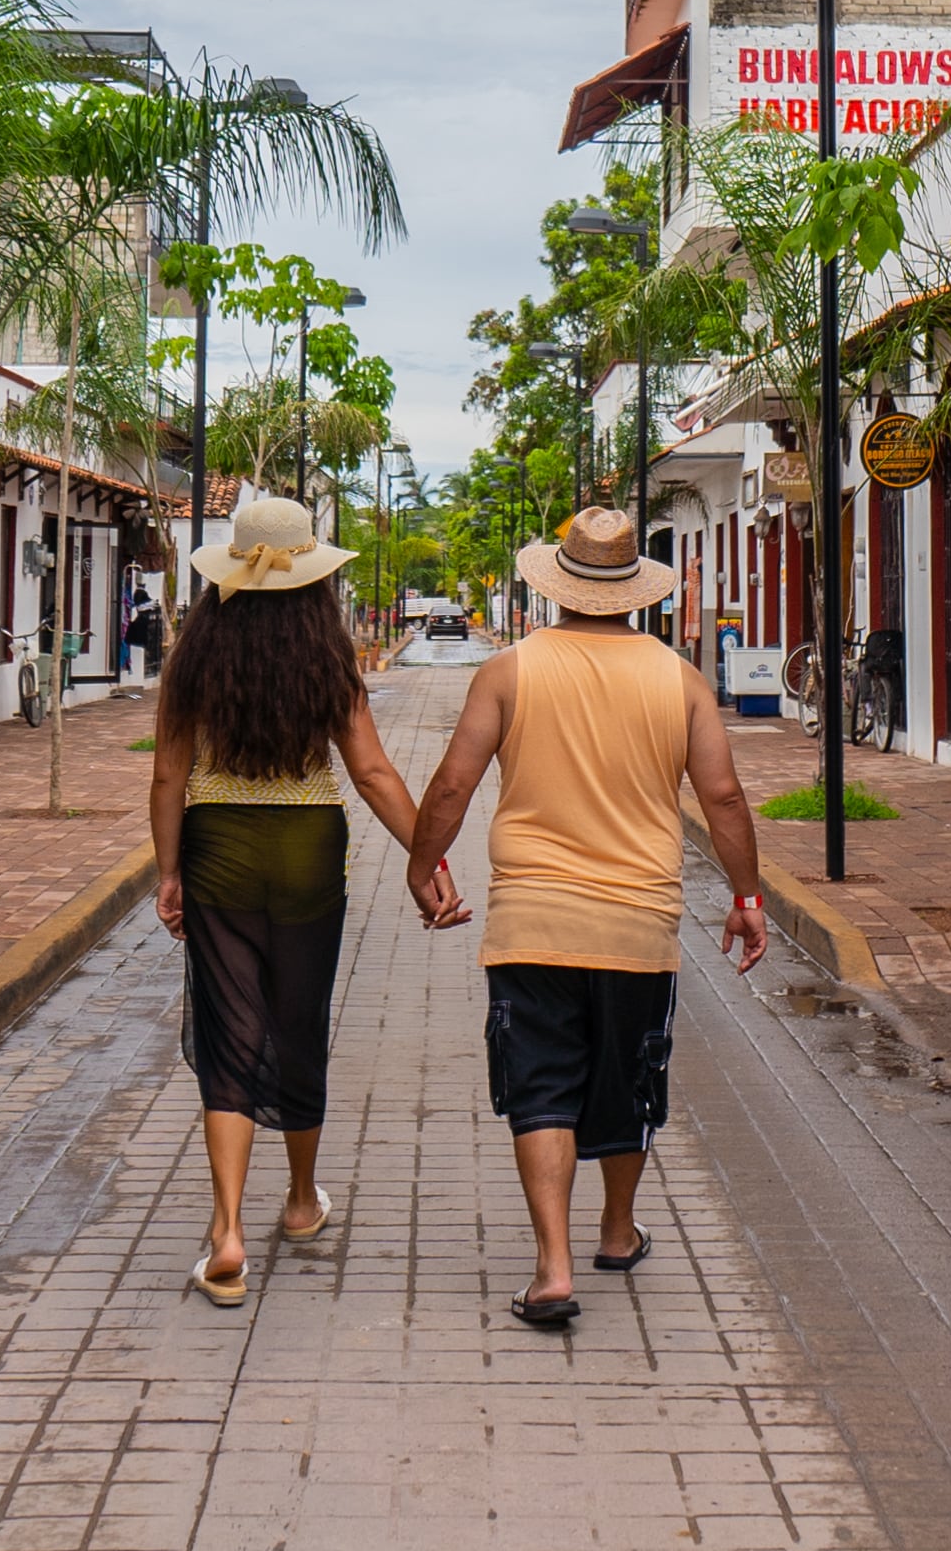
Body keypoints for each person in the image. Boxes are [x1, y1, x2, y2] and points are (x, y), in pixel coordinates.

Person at [405, 506, 767, 1330]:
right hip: (638, 921)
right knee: (628, 1078)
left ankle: (552, 1268)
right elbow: (720, 796)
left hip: (530, 919)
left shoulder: (508, 671)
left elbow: (454, 785)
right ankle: (614, 1232)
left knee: (540, 1085)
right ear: (634, 592)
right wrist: (747, 902)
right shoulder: (679, 679)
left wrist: (423, 865)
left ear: (555, 587)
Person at [148, 492, 464, 1308]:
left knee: (230, 1031)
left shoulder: (193, 659)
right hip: (309, 850)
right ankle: (297, 1201)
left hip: (217, 844)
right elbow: (371, 773)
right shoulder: (328, 662)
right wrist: (425, 860)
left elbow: (167, 776)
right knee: (297, 1022)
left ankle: (225, 1233)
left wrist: (168, 872)